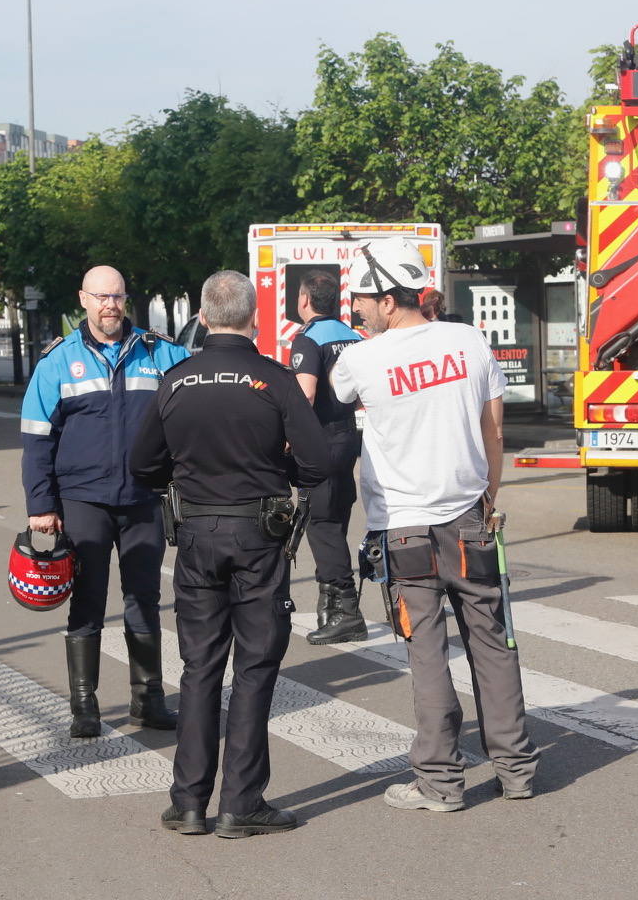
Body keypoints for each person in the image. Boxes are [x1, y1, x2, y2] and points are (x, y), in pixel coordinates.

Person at [331, 237, 539, 812]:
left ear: (388, 299)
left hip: (404, 529)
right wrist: (489, 497)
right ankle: (516, 771)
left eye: (363, 301)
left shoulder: (361, 359)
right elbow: (493, 431)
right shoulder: (469, 340)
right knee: (493, 643)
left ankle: (441, 784)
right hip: (469, 517)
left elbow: (337, 399)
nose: (358, 311)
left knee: (426, 653)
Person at [131, 270, 330, 839]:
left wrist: (187, 474)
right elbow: (317, 465)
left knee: (199, 667)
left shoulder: (175, 381)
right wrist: (277, 468)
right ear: (254, 318)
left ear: (200, 317)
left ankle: (189, 801)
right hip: (259, 537)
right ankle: (241, 803)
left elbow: (142, 466)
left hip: (195, 535)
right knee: (255, 666)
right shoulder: (274, 380)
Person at [21, 265, 190, 738]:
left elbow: (199, 399)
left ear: (125, 299)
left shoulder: (161, 355)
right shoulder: (57, 361)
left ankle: (148, 699)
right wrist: (41, 504)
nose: (109, 305)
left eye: (116, 296)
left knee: (144, 598)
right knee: (88, 601)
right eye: (99, 297)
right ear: (83, 299)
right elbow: (37, 438)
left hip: (143, 500)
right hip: (83, 501)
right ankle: (84, 705)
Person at [289, 270, 366, 645]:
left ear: (304, 300)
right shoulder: (355, 337)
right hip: (349, 436)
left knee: (321, 525)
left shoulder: (307, 339)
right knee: (335, 519)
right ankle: (330, 607)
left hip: (320, 441)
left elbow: (304, 396)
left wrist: (286, 440)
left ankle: (346, 611)